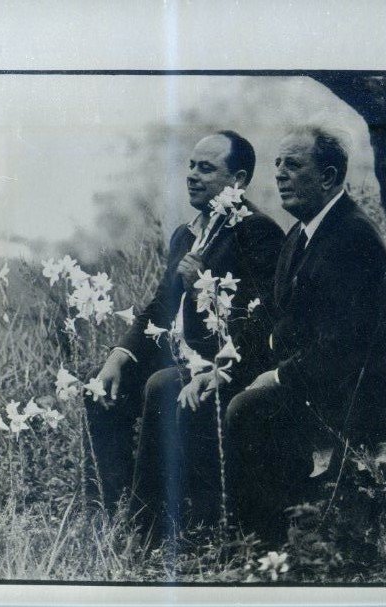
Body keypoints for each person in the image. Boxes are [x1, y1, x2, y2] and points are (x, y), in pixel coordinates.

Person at [87, 131, 284, 538]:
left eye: (206, 169)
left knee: (162, 385)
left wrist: (200, 284)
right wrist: (119, 355)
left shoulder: (257, 232)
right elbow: (161, 305)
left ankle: (147, 527)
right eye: (192, 166)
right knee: (100, 386)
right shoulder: (186, 234)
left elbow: (262, 319)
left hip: (230, 367)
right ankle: (112, 514)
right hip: (187, 359)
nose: (192, 175)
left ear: (238, 180)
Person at [224, 125, 386, 541]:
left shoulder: (352, 236)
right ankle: (230, 530)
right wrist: (228, 362)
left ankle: (267, 545)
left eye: (293, 165)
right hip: (317, 380)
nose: (279, 174)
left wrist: (278, 376)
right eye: (277, 164)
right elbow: (275, 315)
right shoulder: (301, 232)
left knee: (248, 408)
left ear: (328, 177)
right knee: (222, 388)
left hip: (352, 394)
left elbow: (346, 346)